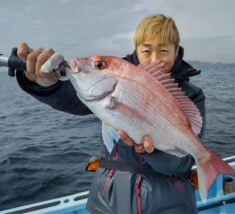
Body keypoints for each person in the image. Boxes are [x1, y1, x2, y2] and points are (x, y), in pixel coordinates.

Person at [15, 14, 206, 214]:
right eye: (146, 50)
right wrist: (45, 84)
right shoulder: (117, 73)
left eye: (164, 50)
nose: (155, 58)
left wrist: (156, 152)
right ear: (137, 50)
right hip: (108, 200)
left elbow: (181, 164)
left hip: (169, 204)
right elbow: (73, 97)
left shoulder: (192, 95)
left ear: (177, 51)